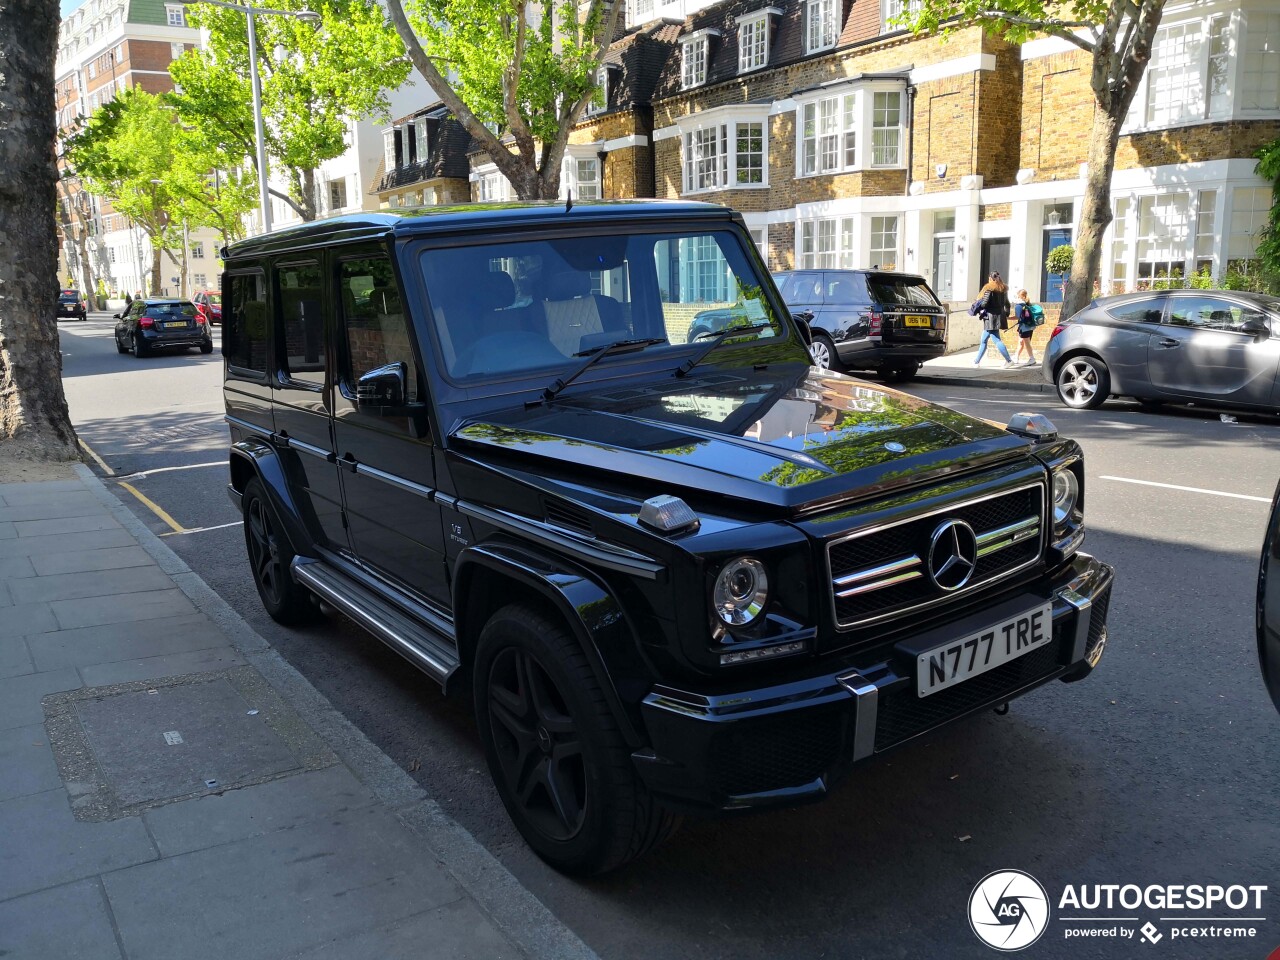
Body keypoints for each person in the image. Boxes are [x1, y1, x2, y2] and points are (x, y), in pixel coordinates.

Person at [972, 271, 1012, 367]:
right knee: (984, 340)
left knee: (996, 340)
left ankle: (1009, 361)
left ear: (990, 278)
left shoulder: (989, 288)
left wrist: (977, 305)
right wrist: (1006, 313)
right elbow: (1007, 304)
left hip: (990, 317)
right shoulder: (1003, 289)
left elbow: (984, 303)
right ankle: (976, 361)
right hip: (999, 315)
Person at [1013, 289, 1038, 365]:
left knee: (1027, 343)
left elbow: (1017, 317)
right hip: (1030, 326)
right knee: (1021, 342)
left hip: (1024, 327)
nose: (1016, 298)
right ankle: (1016, 357)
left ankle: (1032, 358)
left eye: (1017, 296)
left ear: (1019, 296)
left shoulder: (1018, 306)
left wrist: (1007, 318)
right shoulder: (1028, 304)